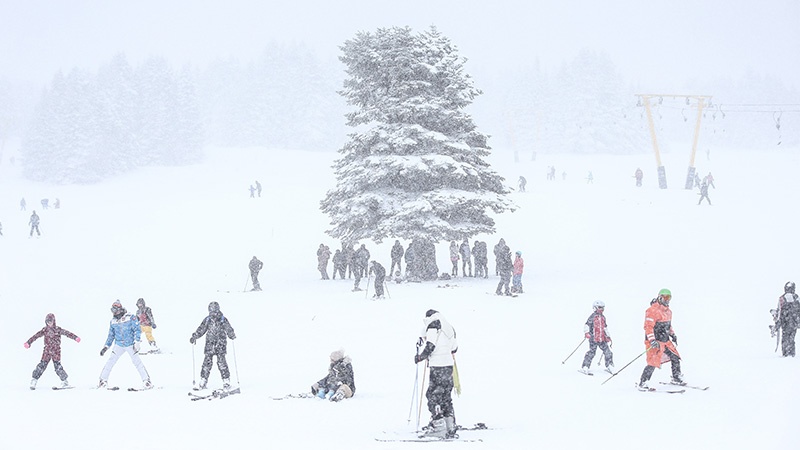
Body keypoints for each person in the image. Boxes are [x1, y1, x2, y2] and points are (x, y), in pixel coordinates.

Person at [414, 310, 459, 439]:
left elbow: (431, 345)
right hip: (448, 367)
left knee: (433, 395)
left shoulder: (433, 325)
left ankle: (438, 424)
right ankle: (450, 425)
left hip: (437, 367)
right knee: (445, 395)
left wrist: (420, 357)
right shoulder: (449, 327)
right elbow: (454, 348)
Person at [98, 301, 152, 390]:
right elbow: (111, 335)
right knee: (111, 361)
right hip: (119, 344)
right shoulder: (113, 321)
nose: (113, 312)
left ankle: (147, 381)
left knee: (137, 362)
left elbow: (137, 329)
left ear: (120, 309)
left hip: (130, 344)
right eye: (112, 310)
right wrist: (106, 347)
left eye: (115, 310)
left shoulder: (130, 317)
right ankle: (102, 381)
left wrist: (137, 341)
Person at [638, 289, 682, 389]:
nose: (667, 300)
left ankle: (676, 377)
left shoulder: (668, 312)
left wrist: (672, 334)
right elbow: (648, 327)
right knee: (653, 362)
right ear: (659, 297)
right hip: (655, 341)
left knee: (675, 357)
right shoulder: (652, 310)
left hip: (665, 340)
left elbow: (668, 325)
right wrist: (652, 340)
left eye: (669, 297)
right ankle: (643, 382)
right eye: (665, 297)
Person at [24, 313, 80, 389]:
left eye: (50, 321)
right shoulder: (44, 330)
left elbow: (67, 333)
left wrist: (75, 338)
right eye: (47, 321)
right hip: (47, 351)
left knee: (58, 367)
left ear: (54, 321)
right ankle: (34, 380)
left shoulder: (58, 329)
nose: (49, 323)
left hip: (56, 351)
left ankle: (65, 382)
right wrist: (28, 342)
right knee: (41, 366)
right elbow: (35, 336)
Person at [190, 301, 237, 390]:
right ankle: (203, 380)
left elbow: (228, 328)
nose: (213, 314)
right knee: (207, 363)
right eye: (211, 312)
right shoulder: (207, 320)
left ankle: (226, 380)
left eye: (214, 311)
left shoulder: (223, 319)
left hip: (220, 344)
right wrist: (195, 336)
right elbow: (202, 329)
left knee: (221, 362)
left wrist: (231, 334)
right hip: (209, 344)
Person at [580, 301, 614, 374]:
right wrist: (587, 332)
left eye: (603, 308)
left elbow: (605, 327)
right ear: (595, 308)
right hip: (594, 338)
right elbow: (587, 325)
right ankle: (585, 366)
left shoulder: (603, 317)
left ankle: (609, 365)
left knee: (608, 352)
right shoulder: (592, 316)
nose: (602, 309)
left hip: (602, 339)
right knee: (592, 352)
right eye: (600, 308)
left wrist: (608, 336)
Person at [776, 281, 799, 357]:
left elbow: (779, 310)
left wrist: (778, 320)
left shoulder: (782, 298)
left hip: (785, 322)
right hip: (793, 322)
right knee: (791, 338)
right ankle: (791, 353)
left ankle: (786, 353)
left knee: (785, 337)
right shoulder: (796, 298)